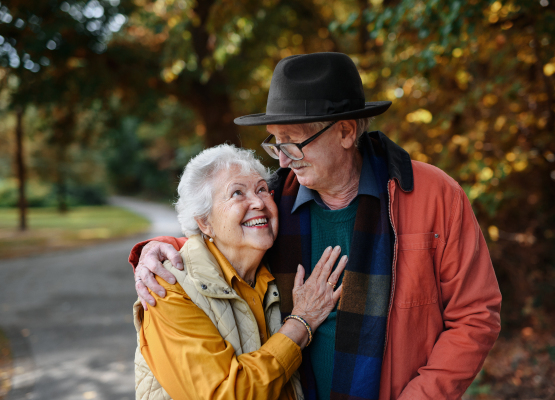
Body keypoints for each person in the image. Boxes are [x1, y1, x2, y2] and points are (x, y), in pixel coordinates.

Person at [131, 52, 502, 400]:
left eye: (293, 142)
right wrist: (158, 247)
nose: (283, 159)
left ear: (345, 132)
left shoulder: (432, 195)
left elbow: (475, 317)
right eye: (275, 144)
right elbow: (220, 239)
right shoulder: (277, 199)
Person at [132, 144, 346, 400]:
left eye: (262, 189)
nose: (258, 202)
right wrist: (302, 322)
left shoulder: (278, 268)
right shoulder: (167, 289)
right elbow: (225, 394)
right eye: (237, 193)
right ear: (204, 222)